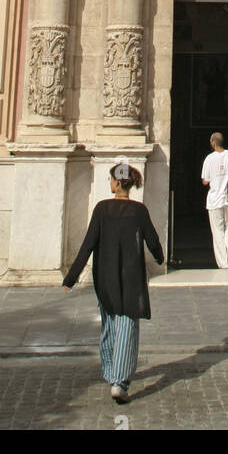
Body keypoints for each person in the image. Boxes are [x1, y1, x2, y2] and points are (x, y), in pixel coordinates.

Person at [62, 161, 163, 404]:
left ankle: (110, 373)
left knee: (109, 326)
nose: (110, 183)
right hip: (132, 277)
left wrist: (71, 278)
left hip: (105, 277)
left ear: (117, 183)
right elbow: (153, 241)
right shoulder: (139, 211)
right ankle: (119, 381)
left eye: (110, 179)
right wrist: (160, 258)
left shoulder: (101, 209)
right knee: (127, 327)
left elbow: (88, 245)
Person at [201, 132, 228, 268]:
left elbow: (205, 181)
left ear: (213, 142)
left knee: (218, 231)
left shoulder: (209, 159)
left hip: (215, 200)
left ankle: (223, 263)